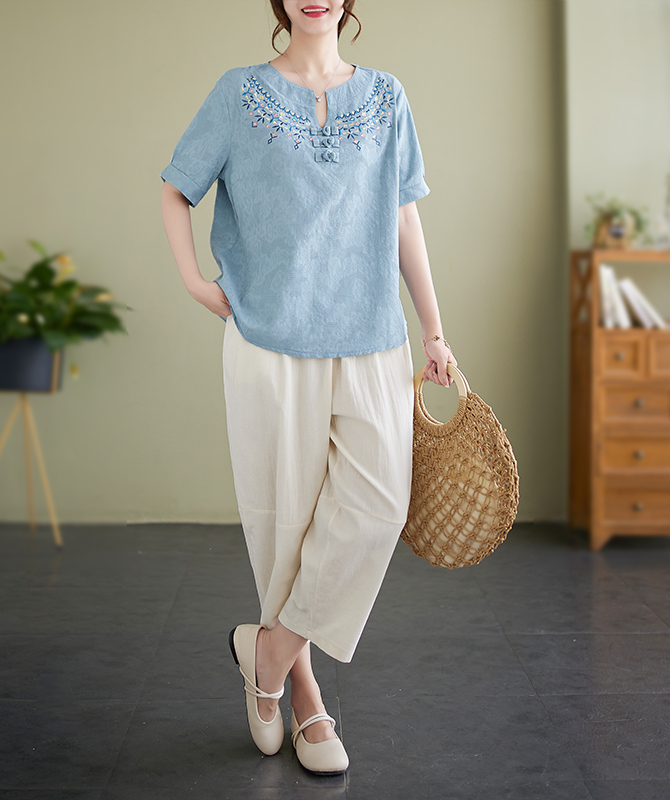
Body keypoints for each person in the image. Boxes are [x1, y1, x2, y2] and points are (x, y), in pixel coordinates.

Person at [160, 0, 456, 776]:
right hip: (268, 340)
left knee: (377, 506)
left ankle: (264, 653)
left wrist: (433, 328)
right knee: (286, 529)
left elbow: (403, 216)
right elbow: (176, 188)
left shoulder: (387, 96)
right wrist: (194, 280)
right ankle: (306, 695)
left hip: (372, 336)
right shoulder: (239, 92)